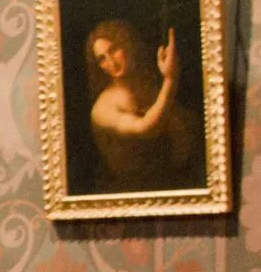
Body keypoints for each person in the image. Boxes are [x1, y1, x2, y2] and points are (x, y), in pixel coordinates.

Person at [84, 17, 201, 190]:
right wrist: (170, 79)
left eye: (114, 49)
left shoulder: (147, 88)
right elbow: (146, 127)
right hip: (131, 192)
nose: (111, 62)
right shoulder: (103, 108)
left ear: (127, 45)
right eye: (102, 58)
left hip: (170, 183)